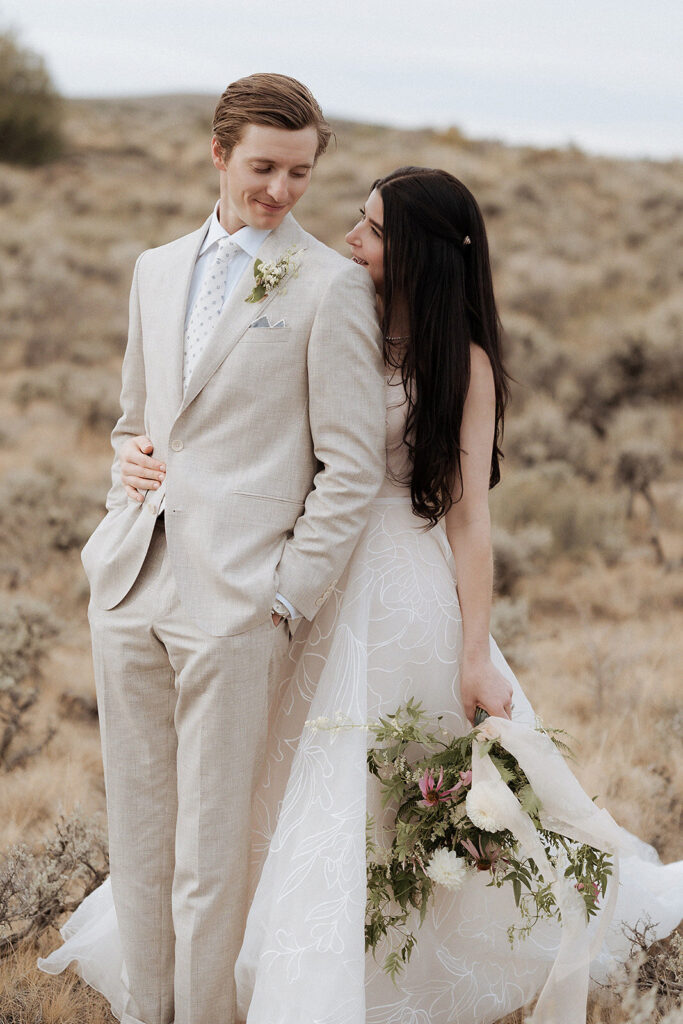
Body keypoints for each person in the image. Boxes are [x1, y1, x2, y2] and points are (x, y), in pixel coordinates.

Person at [40, 168, 682, 1023]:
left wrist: (474, 653)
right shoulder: (327, 309)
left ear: (414, 249)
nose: (350, 238)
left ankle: (379, 971)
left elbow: (468, 520)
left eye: (371, 229)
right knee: (263, 780)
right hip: (299, 570)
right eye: (356, 221)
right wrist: (141, 456)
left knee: (383, 788)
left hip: (402, 590)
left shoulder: (466, 363)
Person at [40, 73, 387, 1024]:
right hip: (130, 587)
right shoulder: (154, 269)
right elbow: (130, 419)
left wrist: (286, 598)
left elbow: (350, 468)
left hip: (239, 606)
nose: (279, 191)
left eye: (301, 174)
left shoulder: (328, 287)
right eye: (264, 167)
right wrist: (130, 461)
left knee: (209, 855)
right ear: (218, 154)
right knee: (140, 843)